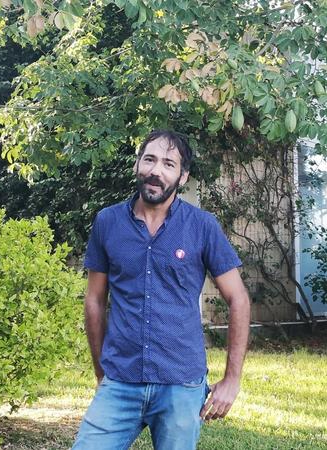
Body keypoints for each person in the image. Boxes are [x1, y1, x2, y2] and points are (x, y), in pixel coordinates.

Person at [72, 130, 251, 450]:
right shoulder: (107, 222)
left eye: (169, 164)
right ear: (137, 165)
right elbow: (95, 300)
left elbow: (238, 299)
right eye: (150, 159)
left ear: (183, 176)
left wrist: (232, 380)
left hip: (180, 385)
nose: (156, 170)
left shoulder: (202, 226)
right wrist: (101, 372)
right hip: (120, 381)